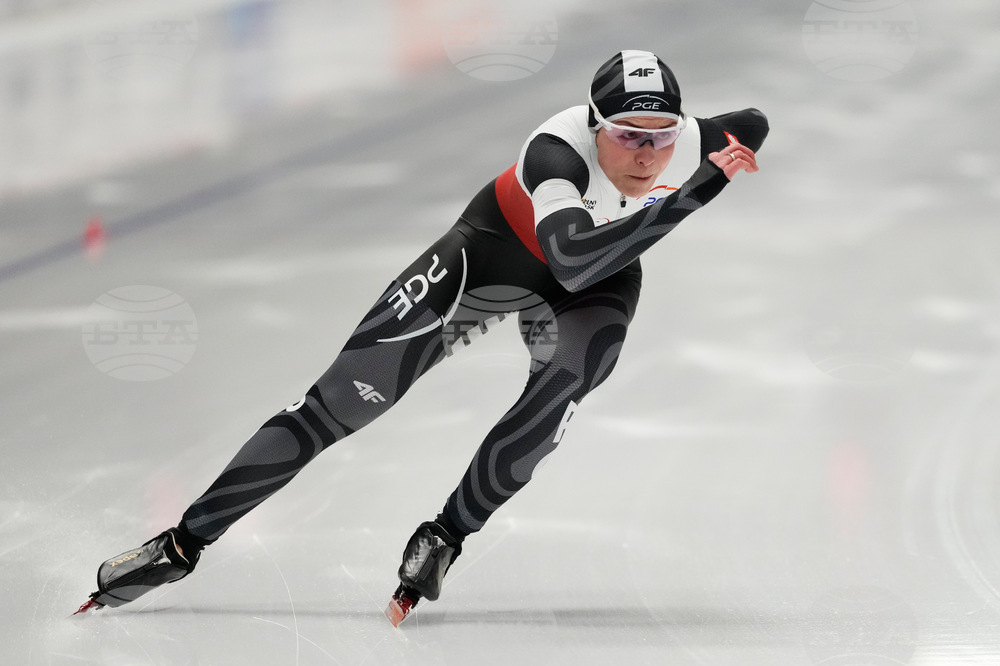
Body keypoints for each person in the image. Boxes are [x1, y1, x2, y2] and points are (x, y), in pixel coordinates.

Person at [78, 49, 768, 625]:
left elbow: (752, 121)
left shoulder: (686, 143)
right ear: (594, 126)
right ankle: (181, 544)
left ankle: (445, 537)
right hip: (490, 261)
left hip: (596, 283)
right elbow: (573, 258)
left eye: (661, 135)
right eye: (626, 134)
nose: (647, 153)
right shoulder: (556, 151)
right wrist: (700, 189)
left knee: (562, 388)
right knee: (340, 403)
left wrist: (710, 154)